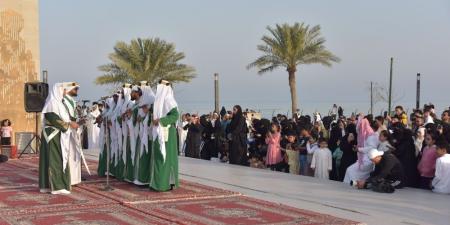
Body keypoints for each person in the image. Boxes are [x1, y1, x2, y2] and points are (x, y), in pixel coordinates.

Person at [39, 83, 79, 195]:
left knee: (58, 158)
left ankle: (51, 185)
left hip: (57, 134)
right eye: (63, 90)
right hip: (53, 134)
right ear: (57, 90)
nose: (65, 92)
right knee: (55, 159)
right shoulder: (52, 103)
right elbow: (52, 118)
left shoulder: (59, 104)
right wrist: (69, 124)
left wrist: (71, 123)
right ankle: (57, 186)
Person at [150, 80, 179, 191]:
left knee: (166, 157)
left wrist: (161, 120)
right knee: (160, 157)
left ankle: (166, 183)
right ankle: (159, 183)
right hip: (159, 131)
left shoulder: (168, 100)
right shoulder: (160, 101)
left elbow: (175, 115)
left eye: (159, 87)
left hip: (167, 133)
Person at [343, 115, 379, 184]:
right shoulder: (366, 135)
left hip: (368, 160)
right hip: (363, 159)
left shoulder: (371, 135)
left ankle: (353, 185)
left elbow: (371, 148)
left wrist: (359, 149)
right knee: (350, 171)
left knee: (351, 171)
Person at [62, 82, 83, 186]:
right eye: (75, 89)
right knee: (69, 153)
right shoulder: (63, 100)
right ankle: (69, 178)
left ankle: (75, 178)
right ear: (69, 89)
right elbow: (65, 116)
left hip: (74, 129)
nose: (76, 91)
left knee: (75, 153)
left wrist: (80, 121)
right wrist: (73, 122)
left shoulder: (72, 101)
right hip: (67, 130)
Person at [135, 81, 155, 185]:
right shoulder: (142, 101)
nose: (138, 92)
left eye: (140, 90)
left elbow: (155, 116)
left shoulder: (152, 100)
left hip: (149, 133)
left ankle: (147, 179)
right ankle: (142, 178)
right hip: (142, 132)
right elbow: (140, 115)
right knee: (142, 155)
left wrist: (147, 113)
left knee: (147, 156)